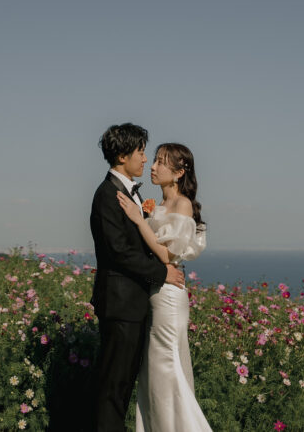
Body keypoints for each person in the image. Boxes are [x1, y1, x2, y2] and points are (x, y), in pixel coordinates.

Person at [90, 123, 185, 432]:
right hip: (120, 305)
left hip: (132, 305)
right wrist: (163, 273)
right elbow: (119, 252)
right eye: (141, 152)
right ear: (121, 156)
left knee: (122, 387)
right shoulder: (107, 195)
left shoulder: (127, 193)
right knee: (112, 390)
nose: (146, 160)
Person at [115, 143, 211, 432]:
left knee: (167, 367)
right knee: (154, 375)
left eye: (160, 162)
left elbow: (167, 255)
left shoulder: (183, 204)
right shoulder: (155, 206)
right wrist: (144, 216)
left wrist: (138, 219)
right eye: (153, 160)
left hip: (169, 296)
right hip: (154, 292)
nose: (153, 167)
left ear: (179, 172)